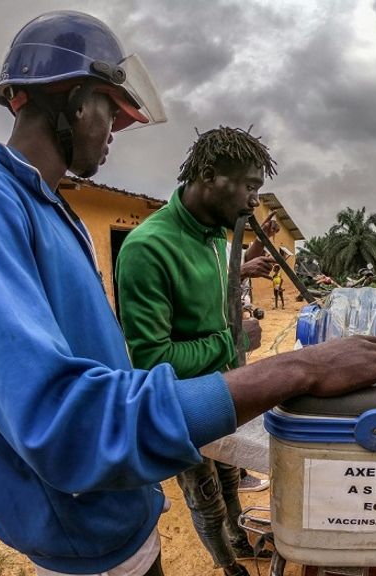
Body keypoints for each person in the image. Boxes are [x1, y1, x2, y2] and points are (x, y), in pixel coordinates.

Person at [0, 11, 376, 576]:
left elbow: (107, 373)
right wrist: (297, 369)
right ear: (72, 100)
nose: (118, 128)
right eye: (111, 110)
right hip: (84, 544)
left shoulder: (51, 208)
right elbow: (69, 424)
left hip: (121, 517)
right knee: (209, 501)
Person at [115, 127, 281, 575]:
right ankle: (230, 566)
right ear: (209, 176)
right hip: (184, 407)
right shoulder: (148, 248)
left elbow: (217, 301)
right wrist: (233, 340)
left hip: (223, 393)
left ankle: (239, 541)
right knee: (204, 496)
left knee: (230, 479)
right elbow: (153, 361)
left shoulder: (213, 240)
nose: (252, 200)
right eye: (249, 187)